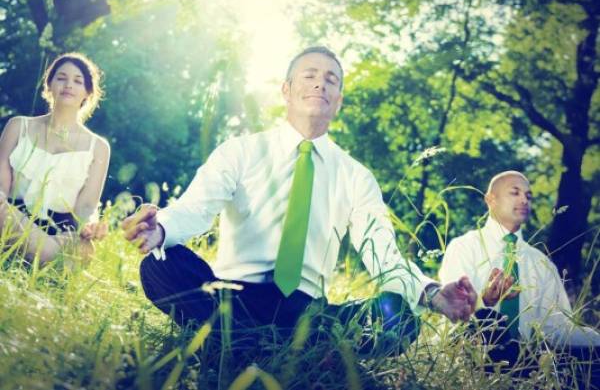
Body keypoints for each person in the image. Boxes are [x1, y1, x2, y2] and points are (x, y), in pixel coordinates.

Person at [123, 46, 476, 354]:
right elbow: (197, 207)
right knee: (160, 264)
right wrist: (161, 229)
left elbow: (382, 254)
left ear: (338, 102)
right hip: (231, 298)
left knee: (398, 318)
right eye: (309, 75)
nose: (321, 83)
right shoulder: (241, 151)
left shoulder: (356, 176)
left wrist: (432, 293)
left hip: (309, 314)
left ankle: (244, 344)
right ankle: (257, 341)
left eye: (331, 80)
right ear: (287, 91)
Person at [439, 171, 599, 385]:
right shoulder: (464, 247)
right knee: (489, 321)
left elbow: (557, 327)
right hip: (469, 357)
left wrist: (595, 340)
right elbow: (453, 312)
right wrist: (484, 301)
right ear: (490, 200)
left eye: (528, 196)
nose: (524, 199)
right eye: (515, 193)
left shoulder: (541, 263)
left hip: (528, 364)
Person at [0, 52, 111, 264]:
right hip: (11, 217)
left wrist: (89, 226)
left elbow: (87, 206)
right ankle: (47, 260)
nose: (69, 84)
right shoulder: (18, 126)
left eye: (78, 81)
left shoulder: (98, 147)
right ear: (49, 85)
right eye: (61, 78)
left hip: (60, 230)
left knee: (85, 249)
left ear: (88, 92)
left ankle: (37, 255)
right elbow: (2, 186)